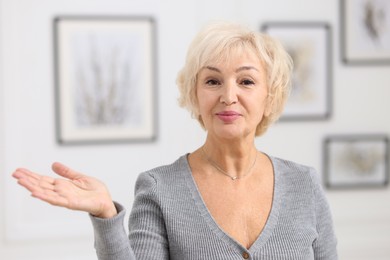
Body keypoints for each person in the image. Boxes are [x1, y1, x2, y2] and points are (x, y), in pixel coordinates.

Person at [12, 21, 338, 259]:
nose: (228, 96)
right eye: (212, 80)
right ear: (195, 94)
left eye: (246, 81)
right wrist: (105, 214)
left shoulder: (303, 184)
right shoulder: (159, 188)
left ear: (271, 96)